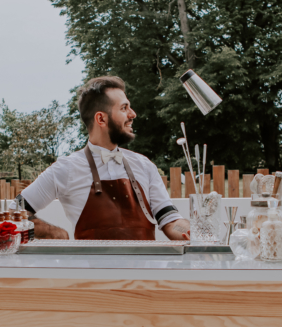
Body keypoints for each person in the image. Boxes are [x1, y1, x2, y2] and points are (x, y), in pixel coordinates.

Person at [15, 76, 190, 240]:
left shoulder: (144, 165)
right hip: (92, 272)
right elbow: (14, 212)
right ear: (101, 118)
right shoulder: (65, 169)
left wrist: (189, 231)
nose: (133, 114)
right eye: (124, 108)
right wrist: (54, 233)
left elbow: (170, 221)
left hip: (145, 271)